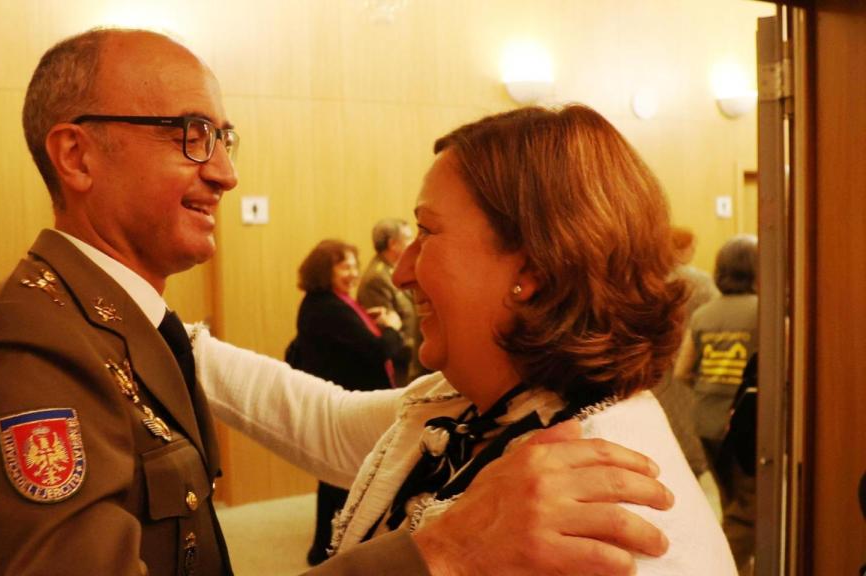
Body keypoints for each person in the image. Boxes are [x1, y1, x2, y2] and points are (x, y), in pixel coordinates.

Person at [0, 28, 674, 576]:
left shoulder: (604, 476)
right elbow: (324, 420)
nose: (226, 173)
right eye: (191, 134)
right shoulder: (22, 347)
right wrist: (444, 550)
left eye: (224, 136)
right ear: (77, 155)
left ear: (531, 268)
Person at [283, 104, 733, 574]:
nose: (402, 273)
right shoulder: (475, 404)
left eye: (427, 232)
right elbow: (323, 419)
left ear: (533, 267)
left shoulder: (592, 519)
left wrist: (448, 553)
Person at [288, 240, 404, 565]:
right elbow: (378, 351)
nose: (353, 273)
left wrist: (370, 320)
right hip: (344, 404)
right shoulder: (327, 308)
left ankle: (325, 547)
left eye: (355, 265)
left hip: (343, 400)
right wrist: (392, 328)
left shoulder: (331, 303)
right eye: (345, 267)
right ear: (324, 271)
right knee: (342, 477)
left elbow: (353, 341)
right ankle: (330, 549)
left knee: (335, 478)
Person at [674, 234, 759, 571]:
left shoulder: (704, 314)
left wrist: (711, 386)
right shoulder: (764, 312)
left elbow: (683, 371)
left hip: (706, 421)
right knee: (749, 511)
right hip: (744, 423)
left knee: (730, 503)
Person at [651, 226, 720, 477]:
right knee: (689, 427)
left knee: (664, 421)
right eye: (692, 247)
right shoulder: (700, 282)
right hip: (691, 362)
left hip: (656, 363)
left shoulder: (650, 280)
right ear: (681, 249)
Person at [357, 218, 423, 386]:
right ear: (393, 244)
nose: (413, 243)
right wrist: (421, 352)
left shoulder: (394, 271)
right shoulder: (377, 279)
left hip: (410, 364)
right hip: (399, 372)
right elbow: (387, 334)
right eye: (408, 238)